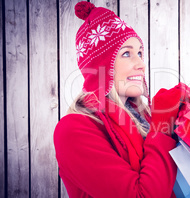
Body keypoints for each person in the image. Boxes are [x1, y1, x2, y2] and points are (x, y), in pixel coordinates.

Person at [54, 1, 183, 197]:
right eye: (126, 53)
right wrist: (163, 124)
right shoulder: (73, 129)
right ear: (100, 68)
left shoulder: (145, 120)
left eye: (139, 52)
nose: (141, 64)